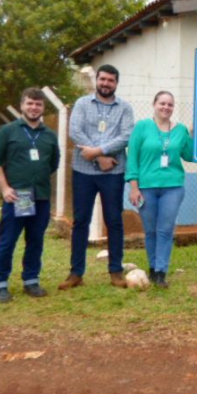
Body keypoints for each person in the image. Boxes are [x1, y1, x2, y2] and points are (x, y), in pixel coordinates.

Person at [59, 64, 135, 290]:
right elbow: (75, 131)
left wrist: (99, 151)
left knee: (114, 220)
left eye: (110, 80)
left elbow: (126, 136)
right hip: (83, 171)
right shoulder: (82, 104)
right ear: (97, 81)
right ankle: (76, 273)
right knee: (81, 221)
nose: (105, 83)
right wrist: (98, 157)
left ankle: (115, 271)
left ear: (116, 83)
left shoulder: (125, 108)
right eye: (102, 79)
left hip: (114, 172)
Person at [0, 88, 61, 303]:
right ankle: (0, 283)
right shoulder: (8, 131)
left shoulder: (49, 135)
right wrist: (5, 188)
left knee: (36, 241)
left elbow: (53, 163)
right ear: (22, 105)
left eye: (38, 104)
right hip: (17, 197)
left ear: (43, 108)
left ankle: (31, 280)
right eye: (30, 103)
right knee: (8, 241)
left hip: (41, 197)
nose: (34, 107)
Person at [126, 91, 194, 288]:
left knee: (165, 230)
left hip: (172, 187)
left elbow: (189, 155)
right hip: (146, 188)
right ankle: (152, 266)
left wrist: (192, 135)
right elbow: (132, 158)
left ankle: (160, 272)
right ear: (154, 104)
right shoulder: (142, 127)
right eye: (162, 103)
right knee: (150, 231)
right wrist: (133, 187)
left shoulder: (180, 130)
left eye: (170, 104)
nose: (166, 107)